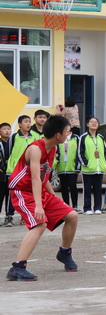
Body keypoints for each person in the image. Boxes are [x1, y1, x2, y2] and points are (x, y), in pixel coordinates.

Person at [6, 115, 78, 281]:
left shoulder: (52, 147)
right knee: (40, 224)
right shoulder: (35, 149)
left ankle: (64, 253)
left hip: (38, 190)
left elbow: (44, 175)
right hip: (22, 191)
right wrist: (39, 206)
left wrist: (53, 198)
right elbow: (35, 178)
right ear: (58, 134)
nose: (69, 133)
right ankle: (17, 267)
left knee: (72, 216)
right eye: (67, 131)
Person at [78, 117, 106, 215]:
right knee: (87, 189)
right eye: (92, 122)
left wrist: (104, 162)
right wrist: (86, 163)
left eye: (96, 122)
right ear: (87, 124)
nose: (94, 124)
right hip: (88, 169)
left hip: (99, 168)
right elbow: (80, 152)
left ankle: (97, 207)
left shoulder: (101, 137)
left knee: (98, 189)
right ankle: (87, 208)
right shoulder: (83, 137)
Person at [54, 130, 80, 212]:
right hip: (61, 167)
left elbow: (79, 152)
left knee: (73, 186)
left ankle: (75, 205)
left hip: (72, 167)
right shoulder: (59, 138)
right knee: (64, 187)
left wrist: (78, 166)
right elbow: (56, 151)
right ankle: (66, 205)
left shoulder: (75, 138)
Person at [0, 123, 11, 225]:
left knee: (10, 196)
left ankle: (9, 217)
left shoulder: (12, 142)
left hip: (11, 173)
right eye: (4, 129)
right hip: (1, 174)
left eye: (8, 129)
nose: (7, 131)